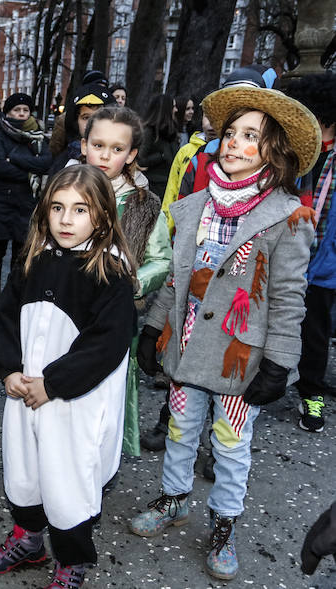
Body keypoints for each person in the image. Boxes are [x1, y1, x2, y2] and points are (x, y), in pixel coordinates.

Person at [130, 84, 319, 580]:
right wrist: (153, 329)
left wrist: (279, 362)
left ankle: (224, 523)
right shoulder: (194, 207)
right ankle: (174, 499)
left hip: (240, 355)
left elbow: (287, 299)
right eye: (230, 133)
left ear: (273, 152)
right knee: (179, 428)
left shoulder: (287, 218)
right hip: (187, 343)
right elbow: (175, 277)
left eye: (250, 136)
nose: (233, 143)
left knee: (231, 444)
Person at [0, 164, 136, 588]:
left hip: (72, 402)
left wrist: (53, 384)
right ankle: (28, 538)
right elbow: (5, 317)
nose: (66, 220)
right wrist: (9, 368)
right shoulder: (35, 259)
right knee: (25, 468)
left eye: (80, 209)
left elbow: (105, 345)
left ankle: (72, 560)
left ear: (103, 215)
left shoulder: (111, 273)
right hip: (26, 392)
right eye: (57, 208)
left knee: (67, 478)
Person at [77, 106, 171, 456]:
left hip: (113, 317)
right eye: (98, 145)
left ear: (131, 154)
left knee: (104, 394)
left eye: (117, 149)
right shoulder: (63, 191)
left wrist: (130, 282)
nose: (105, 155)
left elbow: (162, 260)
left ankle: (97, 466)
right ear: (84, 144)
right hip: (62, 309)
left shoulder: (144, 204)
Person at [284, 72, 336, 433]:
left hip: (323, 261)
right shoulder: (296, 153)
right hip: (285, 256)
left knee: (315, 331)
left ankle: (311, 392)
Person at [0, 92, 51, 277]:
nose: (22, 113)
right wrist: (30, 169)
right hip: (0, 205)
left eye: (25, 110)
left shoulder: (38, 138)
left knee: (20, 261)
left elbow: (46, 163)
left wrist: (13, 158)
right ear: (7, 113)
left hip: (25, 206)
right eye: (17, 110)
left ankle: (13, 303)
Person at [48, 83, 115, 175]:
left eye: (99, 116)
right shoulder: (62, 166)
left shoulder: (122, 159)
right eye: (86, 117)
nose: (92, 123)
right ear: (76, 123)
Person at [137, 94, 180, 196]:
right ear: (166, 109)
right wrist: (161, 156)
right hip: (154, 186)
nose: (176, 110)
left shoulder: (171, 132)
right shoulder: (149, 131)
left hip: (170, 183)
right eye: (173, 107)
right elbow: (140, 161)